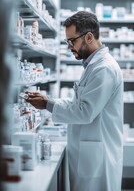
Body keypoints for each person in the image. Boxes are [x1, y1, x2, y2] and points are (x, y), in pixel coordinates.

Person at [26, 11, 124, 191]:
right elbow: (79, 104)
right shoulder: (92, 65)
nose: (69, 46)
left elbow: (85, 112)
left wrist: (48, 104)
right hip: (91, 154)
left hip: (98, 159)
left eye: (72, 41)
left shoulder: (104, 69)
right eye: (67, 41)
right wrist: (50, 100)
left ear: (88, 37)